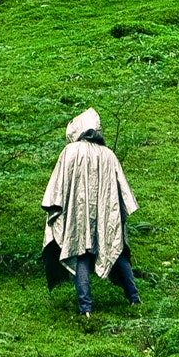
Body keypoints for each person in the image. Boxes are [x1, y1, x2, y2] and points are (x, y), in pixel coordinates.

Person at [40, 107, 141, 318]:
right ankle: (134, 299)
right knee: (117, 250)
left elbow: (57, 187)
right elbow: (123, 190)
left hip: (77, 214)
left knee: (81, 254)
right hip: (106, 214)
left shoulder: (69, 152)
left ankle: (86, 308)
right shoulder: (109, 155)